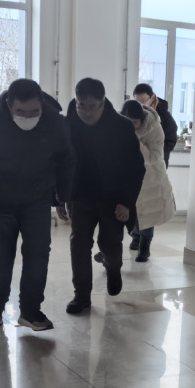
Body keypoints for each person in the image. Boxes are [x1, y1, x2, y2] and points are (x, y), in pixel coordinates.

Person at [0, 78, 74, 330]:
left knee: (38, 256)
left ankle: (30, 311)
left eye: (34, 112)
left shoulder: (53, 121)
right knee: (0, 257)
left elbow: (65, 159)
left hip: (37, 201)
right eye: (21, 112)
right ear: (9, 105)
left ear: (41, 104)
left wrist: (62, 196)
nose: (28, 117)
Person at [56, 77, 145, 314]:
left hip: (112, 198)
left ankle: (113, 268)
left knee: (110, 245)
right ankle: (82, 296)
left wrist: (126, 202)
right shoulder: (67, 124)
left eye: (92, 107)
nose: (86, 112)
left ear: (103, 102)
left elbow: (135, 168)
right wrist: (59, 198)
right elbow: (59, 163)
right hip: (80, 196)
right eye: (81, 106)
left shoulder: (122, 127)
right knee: (79, 245)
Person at [118, 100, 176, 262]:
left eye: (135, 122)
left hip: (151, 177)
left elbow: (155, 157)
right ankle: (133, 238)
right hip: (127, 177)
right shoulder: (119, 125)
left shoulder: (154, 128)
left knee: (148, 212)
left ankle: (145, 248)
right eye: (128, 122)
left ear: (142, 119)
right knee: (126, 212)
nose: (132, 126)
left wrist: (135, 142)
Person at [132, 83, 177, 167]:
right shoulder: (133, 115)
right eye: (137, 102)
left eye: (143, 101)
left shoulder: (165, 116)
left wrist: (155, 153)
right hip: (138, 163)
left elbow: (171, 141)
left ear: (152, 98)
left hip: (158, 163)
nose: (141, 105)